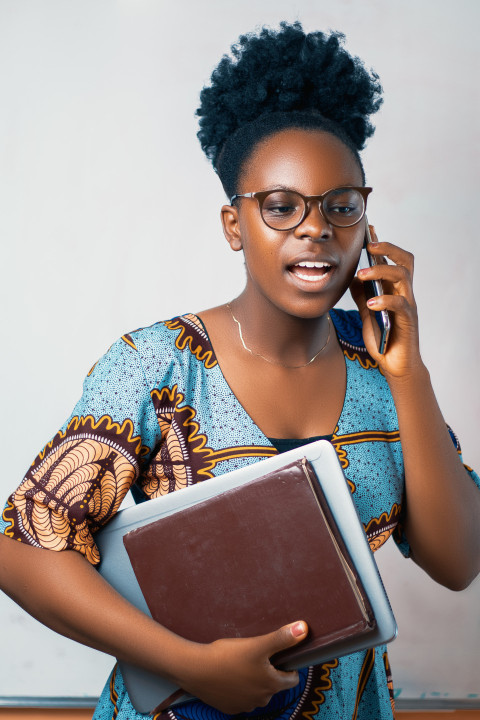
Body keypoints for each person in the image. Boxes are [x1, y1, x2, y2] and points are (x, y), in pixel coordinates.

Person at [0, 21, 479, 720]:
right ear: (234, 225)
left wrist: (408, 373)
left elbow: (459, 561)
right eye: (281, 207)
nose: (315, 229)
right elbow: (23, 546)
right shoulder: (155, 365)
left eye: (341, 207)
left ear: (366, 225)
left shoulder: (382, 368)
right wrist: (187, 663)